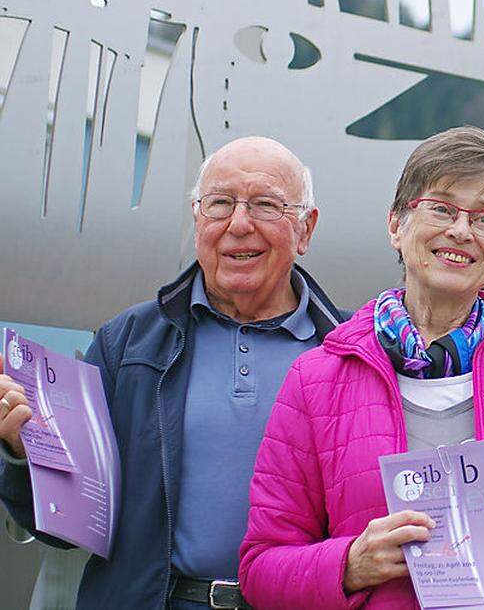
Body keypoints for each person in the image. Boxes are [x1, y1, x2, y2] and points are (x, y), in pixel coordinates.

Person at [238, 126, 484, 609]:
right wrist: (348, 564)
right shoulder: (316, 379)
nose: (461, 231)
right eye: (442, 208)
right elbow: (261, 567)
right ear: (395, 225)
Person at [0, 136, 344, 608]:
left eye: (265, 205)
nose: (238, 225)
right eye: (219, 203)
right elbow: (71, 526)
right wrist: (27, 452)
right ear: (198, 219)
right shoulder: (128, 342)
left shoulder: (350, 351)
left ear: (305, 229)